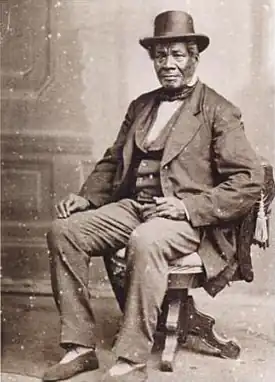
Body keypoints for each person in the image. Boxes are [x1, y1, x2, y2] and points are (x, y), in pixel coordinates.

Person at [43, 10, 263, 382]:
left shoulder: (218, 110)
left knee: (145, 241)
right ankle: (79, 348)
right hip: (135, 206)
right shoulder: (141, 106)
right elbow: (115, 159)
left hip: (185, 219)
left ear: (194, 57)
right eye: (161, 56)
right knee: (64, 232)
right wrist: (87, 197)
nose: (169, 64)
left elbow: (249, 179)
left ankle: (130, 360)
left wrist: (188, 207)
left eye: (178, 55)